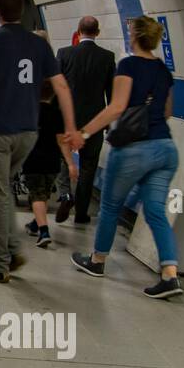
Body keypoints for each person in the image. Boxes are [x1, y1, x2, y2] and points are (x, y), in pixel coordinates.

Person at [0, 0, 83, 283]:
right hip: (28, 131)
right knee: (2, 192)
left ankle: (1, 263)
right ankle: (10, 248)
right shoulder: (38, 45)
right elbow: (62, 88)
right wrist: (72, 128)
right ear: (24, 11)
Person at [68, 15, 182, 299]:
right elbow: (167, 111)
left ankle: (97, 261)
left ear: (134, 36)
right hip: (165, 149)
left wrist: (84, 132)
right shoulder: (163, 71)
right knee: (156, 211)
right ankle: (170, 275)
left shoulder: (128, 65)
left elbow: (117, 107)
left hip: (133, 149)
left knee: (109, 207)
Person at [53, 16, 116, 225]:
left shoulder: (64, 53)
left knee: (64, 158)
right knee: (89, 166)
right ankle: (81, 213)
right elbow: (111, 94)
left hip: (67, 117)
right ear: (97, 33)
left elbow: (57, 87)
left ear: (78, 31)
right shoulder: (107, 57)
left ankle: (65, 195)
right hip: (94, 121)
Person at [22, 80, 78, 249]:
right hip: (53, 161)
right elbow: (62, 142)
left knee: (37, 195)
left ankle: (44, 232)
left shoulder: (29, 112)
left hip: (33, 159)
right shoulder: (57, 113)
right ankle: (35, 224)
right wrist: (70, 164)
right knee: (44, 194)